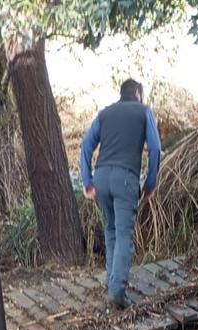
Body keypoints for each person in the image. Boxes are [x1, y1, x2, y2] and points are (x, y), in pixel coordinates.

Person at [80, 78, 162, 310]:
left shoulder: (104, 114)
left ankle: (112, 285)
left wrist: (87, 181)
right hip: (126, 178)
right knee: (124, 234)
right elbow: (155, 149)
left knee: (111, 232)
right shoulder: (144, 112)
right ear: (137, 93)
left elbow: (86, 146)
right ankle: (117, 292)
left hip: (102, 178)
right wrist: (150, 182)